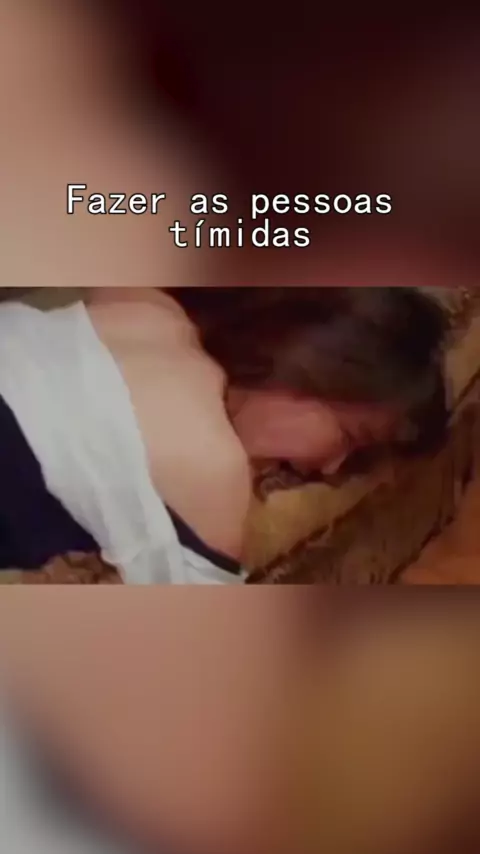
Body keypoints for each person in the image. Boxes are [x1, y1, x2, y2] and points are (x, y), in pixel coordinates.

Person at [0, 286, 447, 583]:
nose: (331, 471)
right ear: (315, 366)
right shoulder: (215, 475)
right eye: (350, 438)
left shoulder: (147, 308)